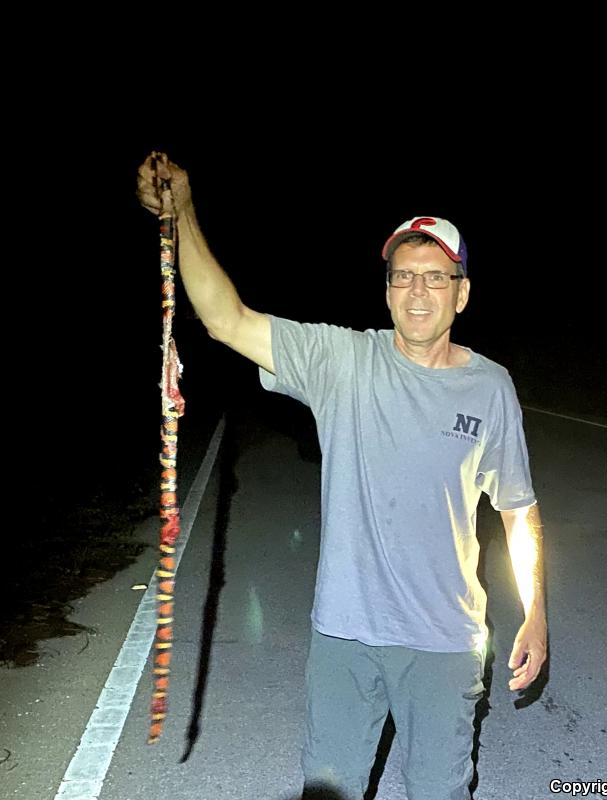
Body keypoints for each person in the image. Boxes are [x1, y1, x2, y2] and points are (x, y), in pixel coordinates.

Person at [137, 153, 547, 800]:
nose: (417, 291)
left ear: (461, 293)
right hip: (345, 636)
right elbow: (226, 320)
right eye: (402, 276)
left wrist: (534, 613)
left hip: (445, 643)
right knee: (329, 789)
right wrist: (182, 211)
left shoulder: (490, 388)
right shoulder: (342, 361)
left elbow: (518, 510)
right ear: (385, 289)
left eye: (434, 278)